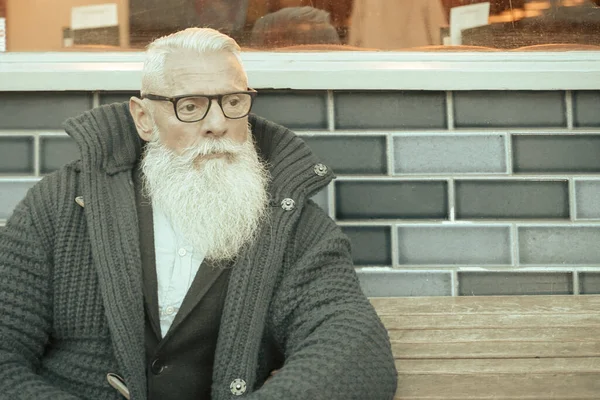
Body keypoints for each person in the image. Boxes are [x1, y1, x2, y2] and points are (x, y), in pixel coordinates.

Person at [0, 28, 397, 399]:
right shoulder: (61, 204)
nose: (217, 124)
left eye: (233, 102)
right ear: (144, 119)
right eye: (189, 106)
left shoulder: (290, 218)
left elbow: (351, 342)